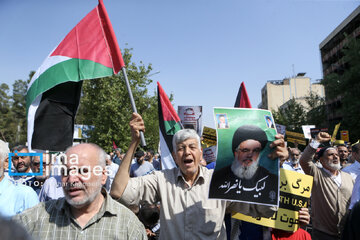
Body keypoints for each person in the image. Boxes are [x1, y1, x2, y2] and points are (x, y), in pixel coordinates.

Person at [111, 113, 288, 240]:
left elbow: (265, 209)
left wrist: (273, 165)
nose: (187, 152)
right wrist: (134, 142)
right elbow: (119, 192)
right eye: (181, 148)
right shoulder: (161, 179)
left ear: (200, 152)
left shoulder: (220, 181)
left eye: (192, 147)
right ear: (174, 156)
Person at [13, 143, 147, 239]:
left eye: (82, 171)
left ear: (103, 176)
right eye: (65, 172)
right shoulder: (36, 218)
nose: (72, 179)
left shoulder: (129, 226)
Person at [299, 132, 353, 240]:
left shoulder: (349, 177)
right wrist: (316, 141)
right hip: (323, 234)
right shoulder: (316, 174)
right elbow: (304, 160)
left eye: (337, 155)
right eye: (330, 154)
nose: (335, 157)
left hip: (347, 233)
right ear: (322, 160)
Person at [210, 125, 278, 205]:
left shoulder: (269, 178)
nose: (250, 155)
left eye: (256, 150)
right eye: (245, 150)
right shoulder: (217, 177)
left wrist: (279, 162)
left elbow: (266, 210)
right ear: (236, 153)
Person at [0, 140, 39, 217]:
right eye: (16, 158)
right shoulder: (10, 175)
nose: (20, 161)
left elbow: (35, 227)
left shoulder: (26, 194)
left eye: (23, 157)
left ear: (6, 162)